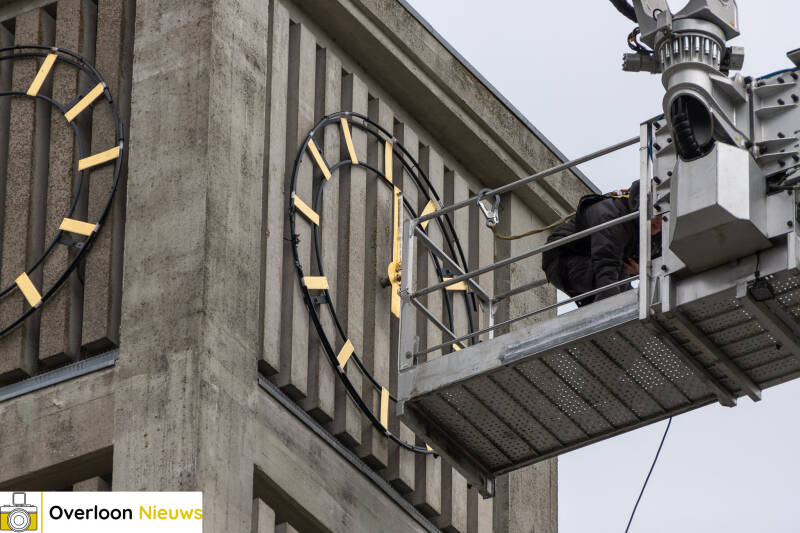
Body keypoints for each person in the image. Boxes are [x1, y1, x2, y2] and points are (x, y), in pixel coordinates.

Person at [541, 180, 662, 306]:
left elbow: (661, 268)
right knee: (620, 282)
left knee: (633, 296)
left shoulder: (658, 235)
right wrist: (611, 308)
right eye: (657, 213)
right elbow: (606, 260)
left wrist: (644, 270)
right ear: (645, 203)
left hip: (598, 263)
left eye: (663, 217)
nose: (659, 222)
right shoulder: (614, 215)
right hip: (562, 257)